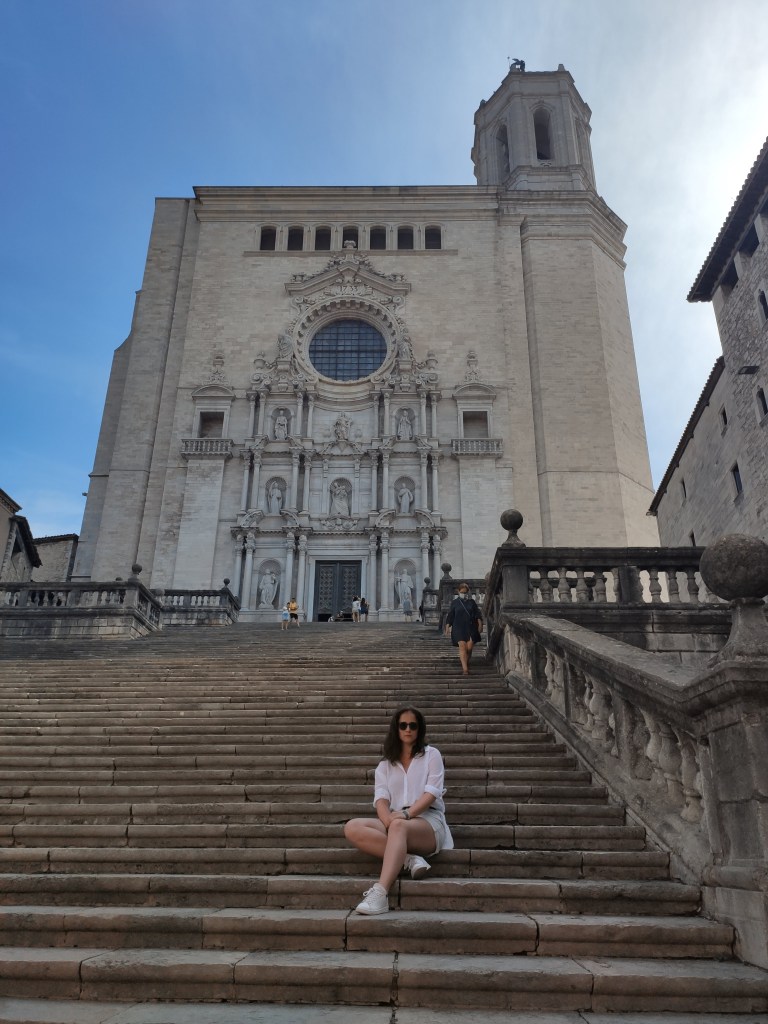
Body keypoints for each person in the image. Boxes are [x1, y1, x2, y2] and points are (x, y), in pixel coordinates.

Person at [344, 706, 453, 915]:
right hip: (395, 821)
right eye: (403, 725)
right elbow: (381, 800)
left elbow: (431, 793)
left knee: (399, 826)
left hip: (428, 821)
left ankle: (381, 893)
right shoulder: (385, 765)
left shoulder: (432, 755)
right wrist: (388, 821)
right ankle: (409, 859)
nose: (408, 729)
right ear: (396, 729)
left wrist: (405, 815)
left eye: (413, 725)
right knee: (352, 827)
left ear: (419, 729)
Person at [444, 582, 483, 676]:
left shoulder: (472, 602)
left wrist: (480, 625)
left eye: (465, 592)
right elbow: (450, 615)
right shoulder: (455, 602)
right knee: (462, 646)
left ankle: (466, 661)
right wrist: (447, 626)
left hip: (471, 626)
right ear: (458, 591)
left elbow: (477, 614)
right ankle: (465, 669)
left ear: (468, 592)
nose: (464, 594)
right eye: (462, 592)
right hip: (458, 627)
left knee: (469, 647)